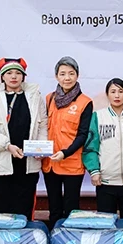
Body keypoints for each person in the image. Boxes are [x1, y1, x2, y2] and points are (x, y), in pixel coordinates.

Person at [0, 58, 48, 218]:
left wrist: (39, 147)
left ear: (24, 76)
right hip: (1, 159)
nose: (14, 76)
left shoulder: (35, 97)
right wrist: (7, 145)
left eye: (18, 73)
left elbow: (43, 124)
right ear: (2, 76)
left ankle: (23, 241)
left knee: (24, 205)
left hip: (27, 161)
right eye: (9, 73)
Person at [83, 78, 123, 222]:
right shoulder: (98, 117)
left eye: (120, 91)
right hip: (106, 181)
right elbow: (90, 147)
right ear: (107, 95)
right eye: (113, 92)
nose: (117, 95)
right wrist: (94, 171)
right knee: (106, 222)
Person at [42, 56, 93, 227]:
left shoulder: (85, 102)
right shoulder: (49, 98)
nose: (67, 78)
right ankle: (54, 242)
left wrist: (65, 153)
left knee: (71, 209)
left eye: (71, 73)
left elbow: (83, 134)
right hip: (50, 163)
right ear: (56, 76)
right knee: (54, 207)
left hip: (71, 163)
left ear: (77, 76)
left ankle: (69, 242)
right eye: (62, 74)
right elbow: (42, 128)